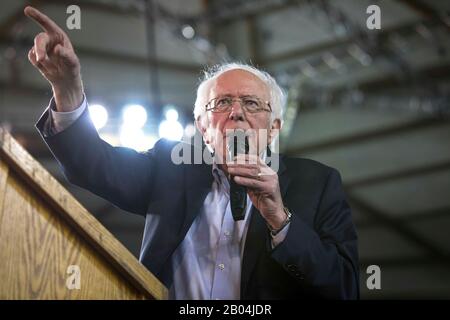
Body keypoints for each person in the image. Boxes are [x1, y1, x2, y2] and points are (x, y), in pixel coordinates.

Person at [25, 6, 359, 299]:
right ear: (201, 125)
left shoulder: (318, 183)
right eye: (222, 102)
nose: (237, 112)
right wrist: (67, 89)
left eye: (252, 103)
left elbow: (343, 288)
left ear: (274, 127)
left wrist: (279, 219)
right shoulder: (169, 167)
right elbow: (93, 165)